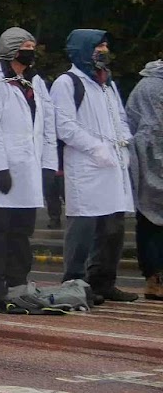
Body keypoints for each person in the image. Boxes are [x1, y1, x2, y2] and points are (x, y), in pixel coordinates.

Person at [0, 28, 58, 304]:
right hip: (1, 172)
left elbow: (47, 126)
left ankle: (18, 282)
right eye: (25, 46)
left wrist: (48, 165)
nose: (30, 51)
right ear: (10, 49)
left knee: (22, 231)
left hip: (28, 169)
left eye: (32, 46)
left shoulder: (35, 82)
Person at [52, 29, 136, 303]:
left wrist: (124, 141)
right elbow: (65, 125)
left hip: (113, 163)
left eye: (105, 46)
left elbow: (120, 117)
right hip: (86, 164)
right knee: (84, 227)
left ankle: (103, 281)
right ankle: (75, 282)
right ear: (83, 49)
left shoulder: (106, 82)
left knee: (113, 227)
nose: (104, 50)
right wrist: (96, 148)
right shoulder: (68, 82)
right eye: (99, 46)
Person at [125, 58, 163, 300]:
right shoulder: (152, 86)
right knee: (151, 223)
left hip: (153, 158)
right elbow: (152, 126)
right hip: (151, 161)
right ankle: (154, 277)